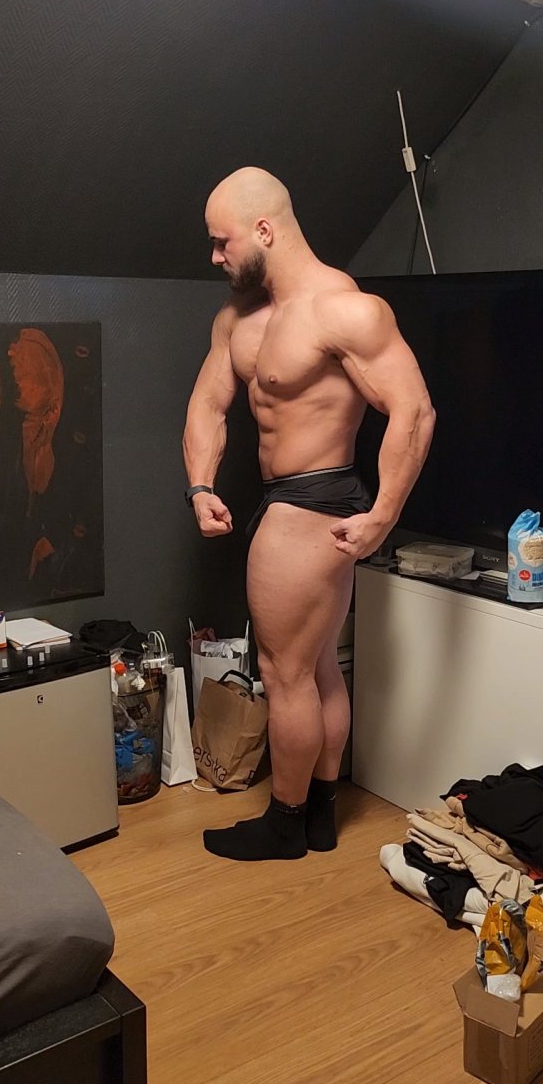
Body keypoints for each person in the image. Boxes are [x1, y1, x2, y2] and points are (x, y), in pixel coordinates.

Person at [183, 167, 435, 861]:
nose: (215, 256)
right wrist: (200, 485)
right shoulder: (238, 319)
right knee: (318, 666)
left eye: (223, 241)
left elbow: (413, 411)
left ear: (264, 230)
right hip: (296, 502)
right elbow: (208, 404)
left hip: (311, 503)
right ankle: (320, 814)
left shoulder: (345, 311)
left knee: (283, 673)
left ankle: (284, 824)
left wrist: (384, 515)